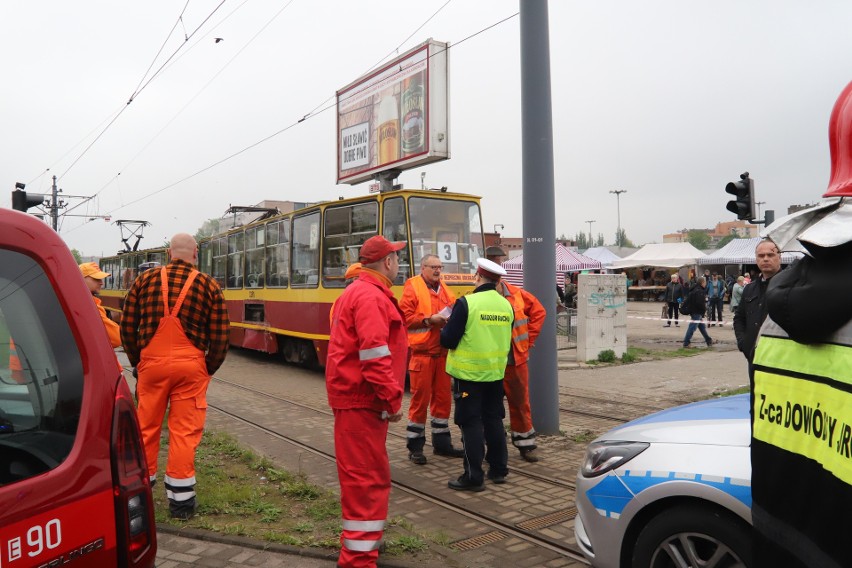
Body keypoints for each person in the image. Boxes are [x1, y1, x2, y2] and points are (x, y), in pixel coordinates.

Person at [747, 80, 852, 567]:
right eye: (763, 253)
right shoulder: (759, 298)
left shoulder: (779, 309)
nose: (768, 258)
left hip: (787, 536)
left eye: (772, 252)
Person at [120, 233, 230, 520]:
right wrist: (207, 368)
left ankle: (139, 498)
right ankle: (181, 503)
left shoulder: (144, 281)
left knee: (145, 428)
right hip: (190, 368)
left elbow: (127, 324)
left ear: (170, 253)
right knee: (184, 432)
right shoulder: (209, 285)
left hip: (151, 366)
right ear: (195, 254)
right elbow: (221, 336)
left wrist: (137, 361)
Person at [325, 235, 407, 567]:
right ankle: (358, 559)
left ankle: (362, 549)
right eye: (397, 258)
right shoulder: (371, 297)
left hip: (358, 401)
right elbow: (374, 356)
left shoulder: (360, 292)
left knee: (367, 477)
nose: (399, 264)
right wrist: (392, 399)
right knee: (366, 481)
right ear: (387, 262)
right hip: (363, 401)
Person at [441, 258, 513, 491]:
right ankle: (499, 470)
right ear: (497, 281)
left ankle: (473, 477)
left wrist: (444, 327)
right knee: (494, 419)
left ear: (478, 277)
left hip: (469, 375)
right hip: (495, 373)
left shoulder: (466, 303)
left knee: (470, 423)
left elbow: (448, 339)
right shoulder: (506, 305)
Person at [399, 254, 463, 465]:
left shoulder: (444, 288)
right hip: (422, 355)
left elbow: (454, 309)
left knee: (443, 400)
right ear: (423, 267)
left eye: (440, 267)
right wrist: (428, 321)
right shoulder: (412, 286)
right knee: (420, 402)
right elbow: (404, 319)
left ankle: (442, 444)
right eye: (433, 267)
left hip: (443, 355)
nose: (438, 270)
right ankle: (415, 447)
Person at [485, 246, 546, 462]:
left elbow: (539, 311)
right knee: (489, 407)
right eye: (492, 261)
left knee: (520, 403)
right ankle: (489, 446)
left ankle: (525, 445)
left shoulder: (517, 294)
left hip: (515, 361)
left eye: (498, 261)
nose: (497, 265)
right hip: (489, 363)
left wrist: (528, 340)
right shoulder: (477, 297)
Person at [733, 239, 781, 364]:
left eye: (770, 255)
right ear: (756, 259)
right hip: (753, 355)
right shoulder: (750, 288)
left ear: (779, 257)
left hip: (779, 357)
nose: (765, 259)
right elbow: (739, 318)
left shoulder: (789, 286)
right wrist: (743, 343)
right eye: (761, 255)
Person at [79, 261, 122, 350]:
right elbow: (116, 338)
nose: (101, 283)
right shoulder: (89, 306)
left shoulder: (78, 301)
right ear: (81, 279)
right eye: (96, 279)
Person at [681, 276, 712, 348]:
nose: (705, 284)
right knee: (692, 328)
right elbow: (699, 303)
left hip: (695, 312)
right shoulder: (699, 291)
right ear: (702, 283)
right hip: (697, 312)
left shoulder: (694, 289)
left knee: (702, 327)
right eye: (705, 282)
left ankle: (708, 340)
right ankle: (686, 342)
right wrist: (704, 310)